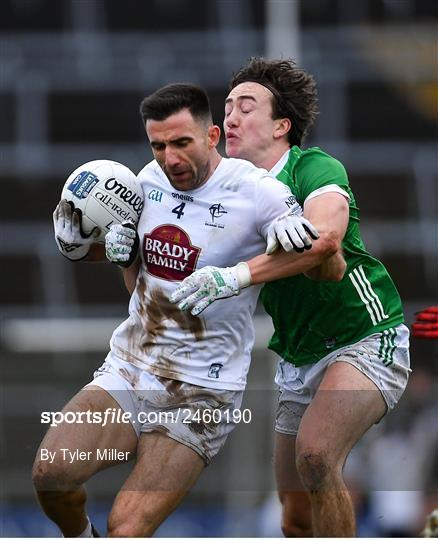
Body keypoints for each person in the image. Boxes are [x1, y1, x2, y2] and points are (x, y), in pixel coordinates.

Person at [33, 82, 319, 538]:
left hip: (202, 392)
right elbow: (134, 279)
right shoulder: (143, 183)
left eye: (181, 143)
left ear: (211, 136)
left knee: (126, 528)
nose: (169, 158)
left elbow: (316, 249)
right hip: (131, 366)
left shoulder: (257, 191)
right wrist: (102, 249)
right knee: (51, 477)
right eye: (158, 145)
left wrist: (243, 269)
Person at [170, 58, 411, 537]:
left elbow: (325, 241)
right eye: (227, 108)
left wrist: (235, 276)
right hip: (299, 356)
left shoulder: (314, 168)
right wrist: (122, 250)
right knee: (295, 515)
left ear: (282, 126)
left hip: (365, 338)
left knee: (317, 455)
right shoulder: (228, 192)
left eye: (246, 107)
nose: (229, 118)